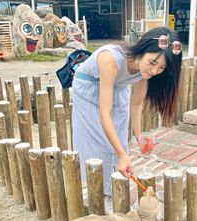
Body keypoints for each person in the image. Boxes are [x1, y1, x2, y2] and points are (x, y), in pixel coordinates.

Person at [71, 26, 183, 195]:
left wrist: (139, 135)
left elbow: (137, 103)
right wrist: (123, 155)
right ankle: (97, 187)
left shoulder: (146, 72)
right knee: (98, 138)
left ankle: (113, 185)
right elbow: (105, 114)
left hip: (118, 86)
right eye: (153, 63)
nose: (154, 71)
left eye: (161, 68)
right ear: (142, 49)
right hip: (90, 88)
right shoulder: (110, 58)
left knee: (119, 138)